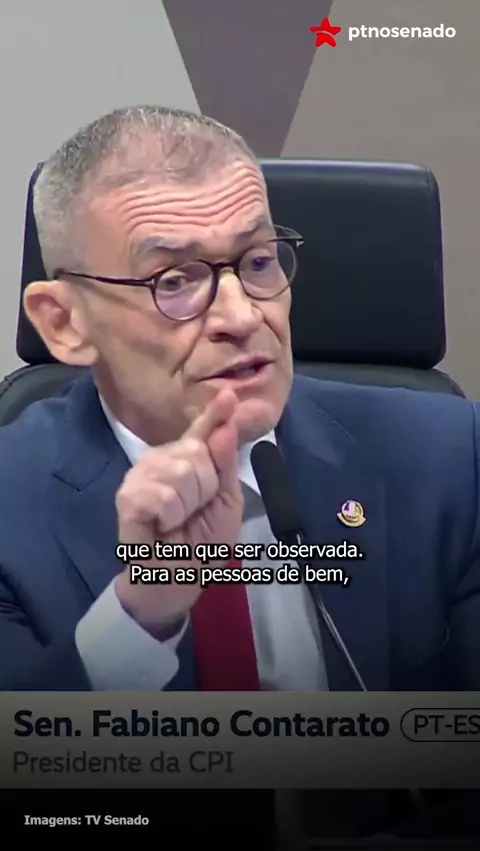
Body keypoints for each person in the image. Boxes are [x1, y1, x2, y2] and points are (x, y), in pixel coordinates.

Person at [0, 104, 479, 692]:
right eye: (174, 280)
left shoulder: (454, 461)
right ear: (65, 323)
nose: (243, 316)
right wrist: (139, 617)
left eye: (257, 262)